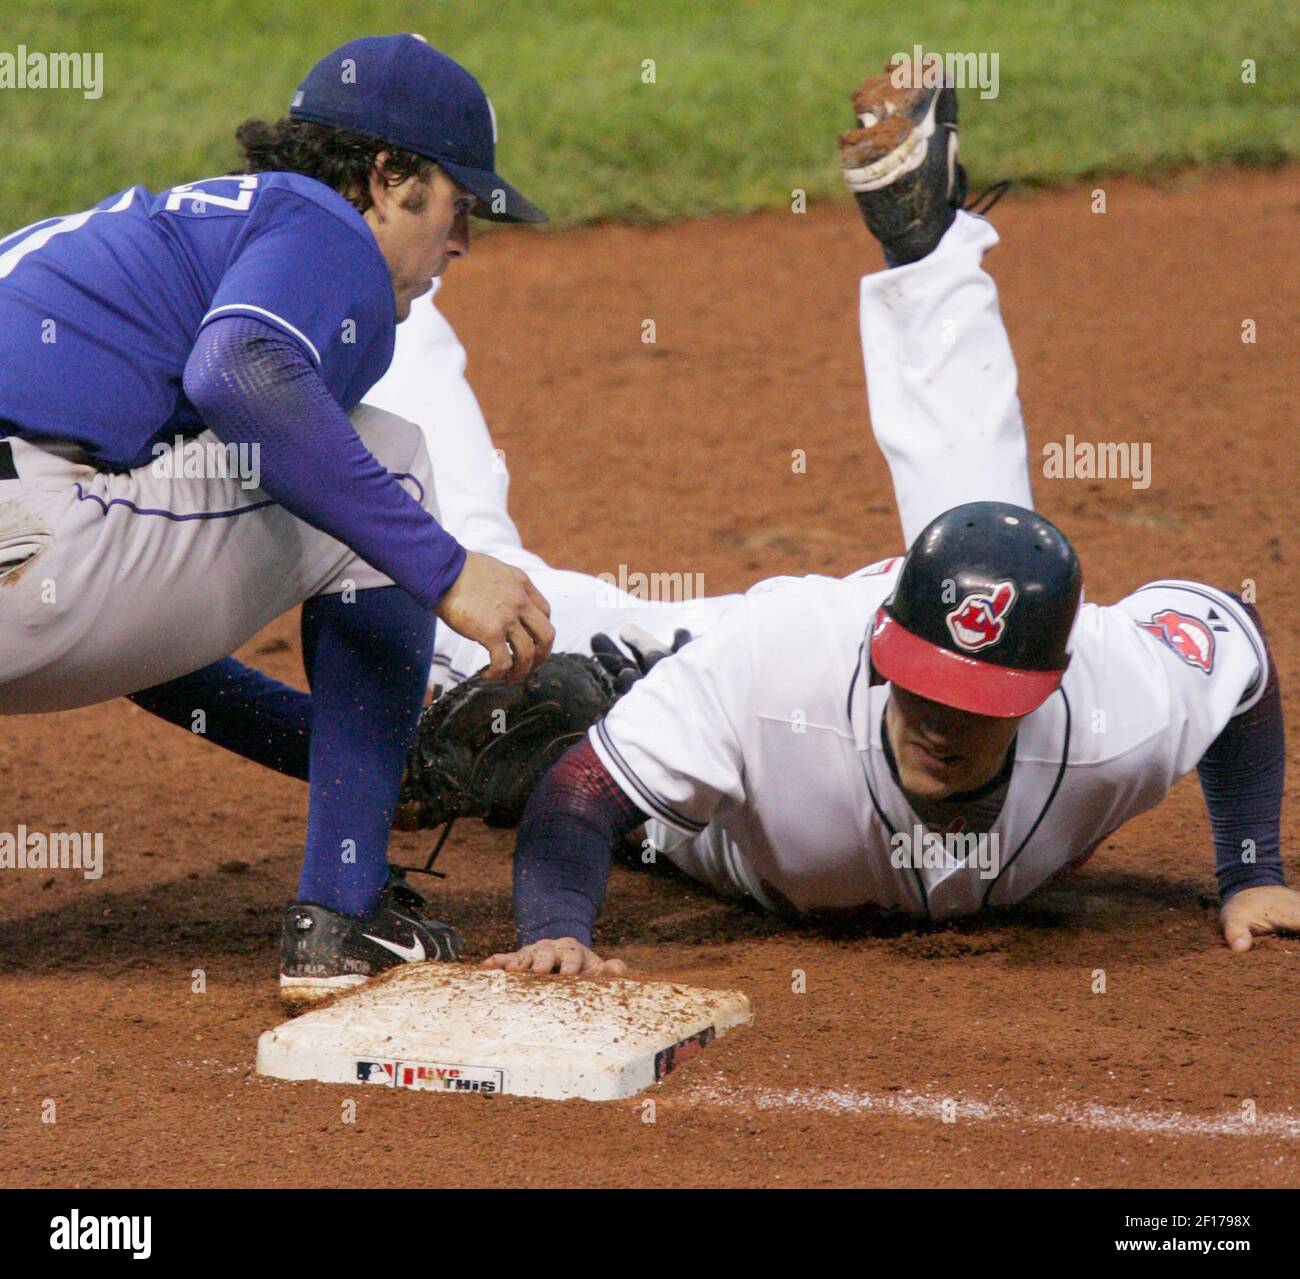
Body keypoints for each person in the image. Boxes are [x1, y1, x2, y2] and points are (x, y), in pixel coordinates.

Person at [466, 66, 1295, 975]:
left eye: (975, 704)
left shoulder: (1117, 708)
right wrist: (558, 932)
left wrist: (1249, 869)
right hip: (711, 715)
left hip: (908, 625)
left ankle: (929, 248)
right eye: (925, 686)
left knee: (990, 543)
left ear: (1049, 687)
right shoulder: (774, 671)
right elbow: (583, 791)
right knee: (500, 641)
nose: (941, 720)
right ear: (887, 645)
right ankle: (384, 313)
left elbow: (1237, 651)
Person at [0, 35, 555, 1007]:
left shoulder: (168, 237)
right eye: (458, 205)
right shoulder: (318, 225)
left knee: (267, 480)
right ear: (385, 177)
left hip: (36, 561)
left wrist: (324, 743)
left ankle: (369, 796)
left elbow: (144, 613)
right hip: (26, 553)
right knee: (387, 461)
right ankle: (343, 922)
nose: (462, 242)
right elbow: (241, 369)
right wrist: (446, 568)